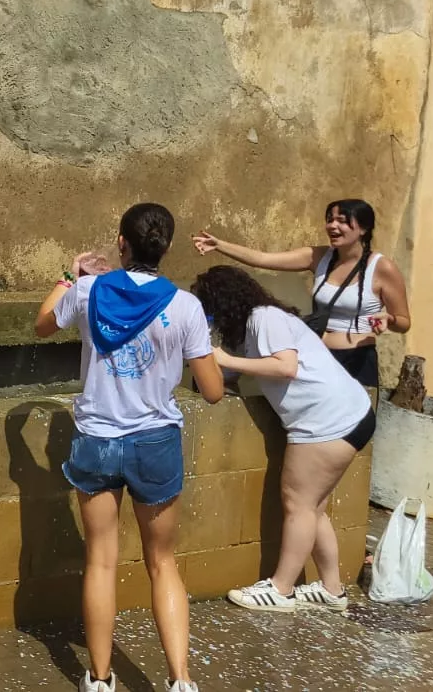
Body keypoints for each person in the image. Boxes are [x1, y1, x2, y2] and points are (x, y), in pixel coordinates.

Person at [36, 203, 224, 692]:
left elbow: (41, 325)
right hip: (155, 442)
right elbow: (212, 390)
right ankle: (180, 680)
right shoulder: (185, 306)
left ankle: (99, 679)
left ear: (122, 242)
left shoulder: (88, 290)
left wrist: (68, 275)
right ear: (166, 247)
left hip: (97, 439)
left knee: (100, 559)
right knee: (162, 563)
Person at [191, 265, 374, 613]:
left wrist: (226, 359)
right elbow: (231, 371)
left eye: (209, 309)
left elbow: (285, 366)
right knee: (312, 506)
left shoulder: (264, 318)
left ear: (225, 302)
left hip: (327, 420)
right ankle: (332, 590)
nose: (209, 319)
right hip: (348, 414)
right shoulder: (251, 329)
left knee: (298, 503)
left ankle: (281, 588)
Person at [191, 200, 409, 387]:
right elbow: (264, 259)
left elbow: (404, 322)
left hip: (357, 359)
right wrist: (219, 245)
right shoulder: (319, 256)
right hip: (317, 356)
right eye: (330, 219)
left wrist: (389, 320)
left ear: (363, 228)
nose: (332, 225)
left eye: (342, 220)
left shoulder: (382, 268)